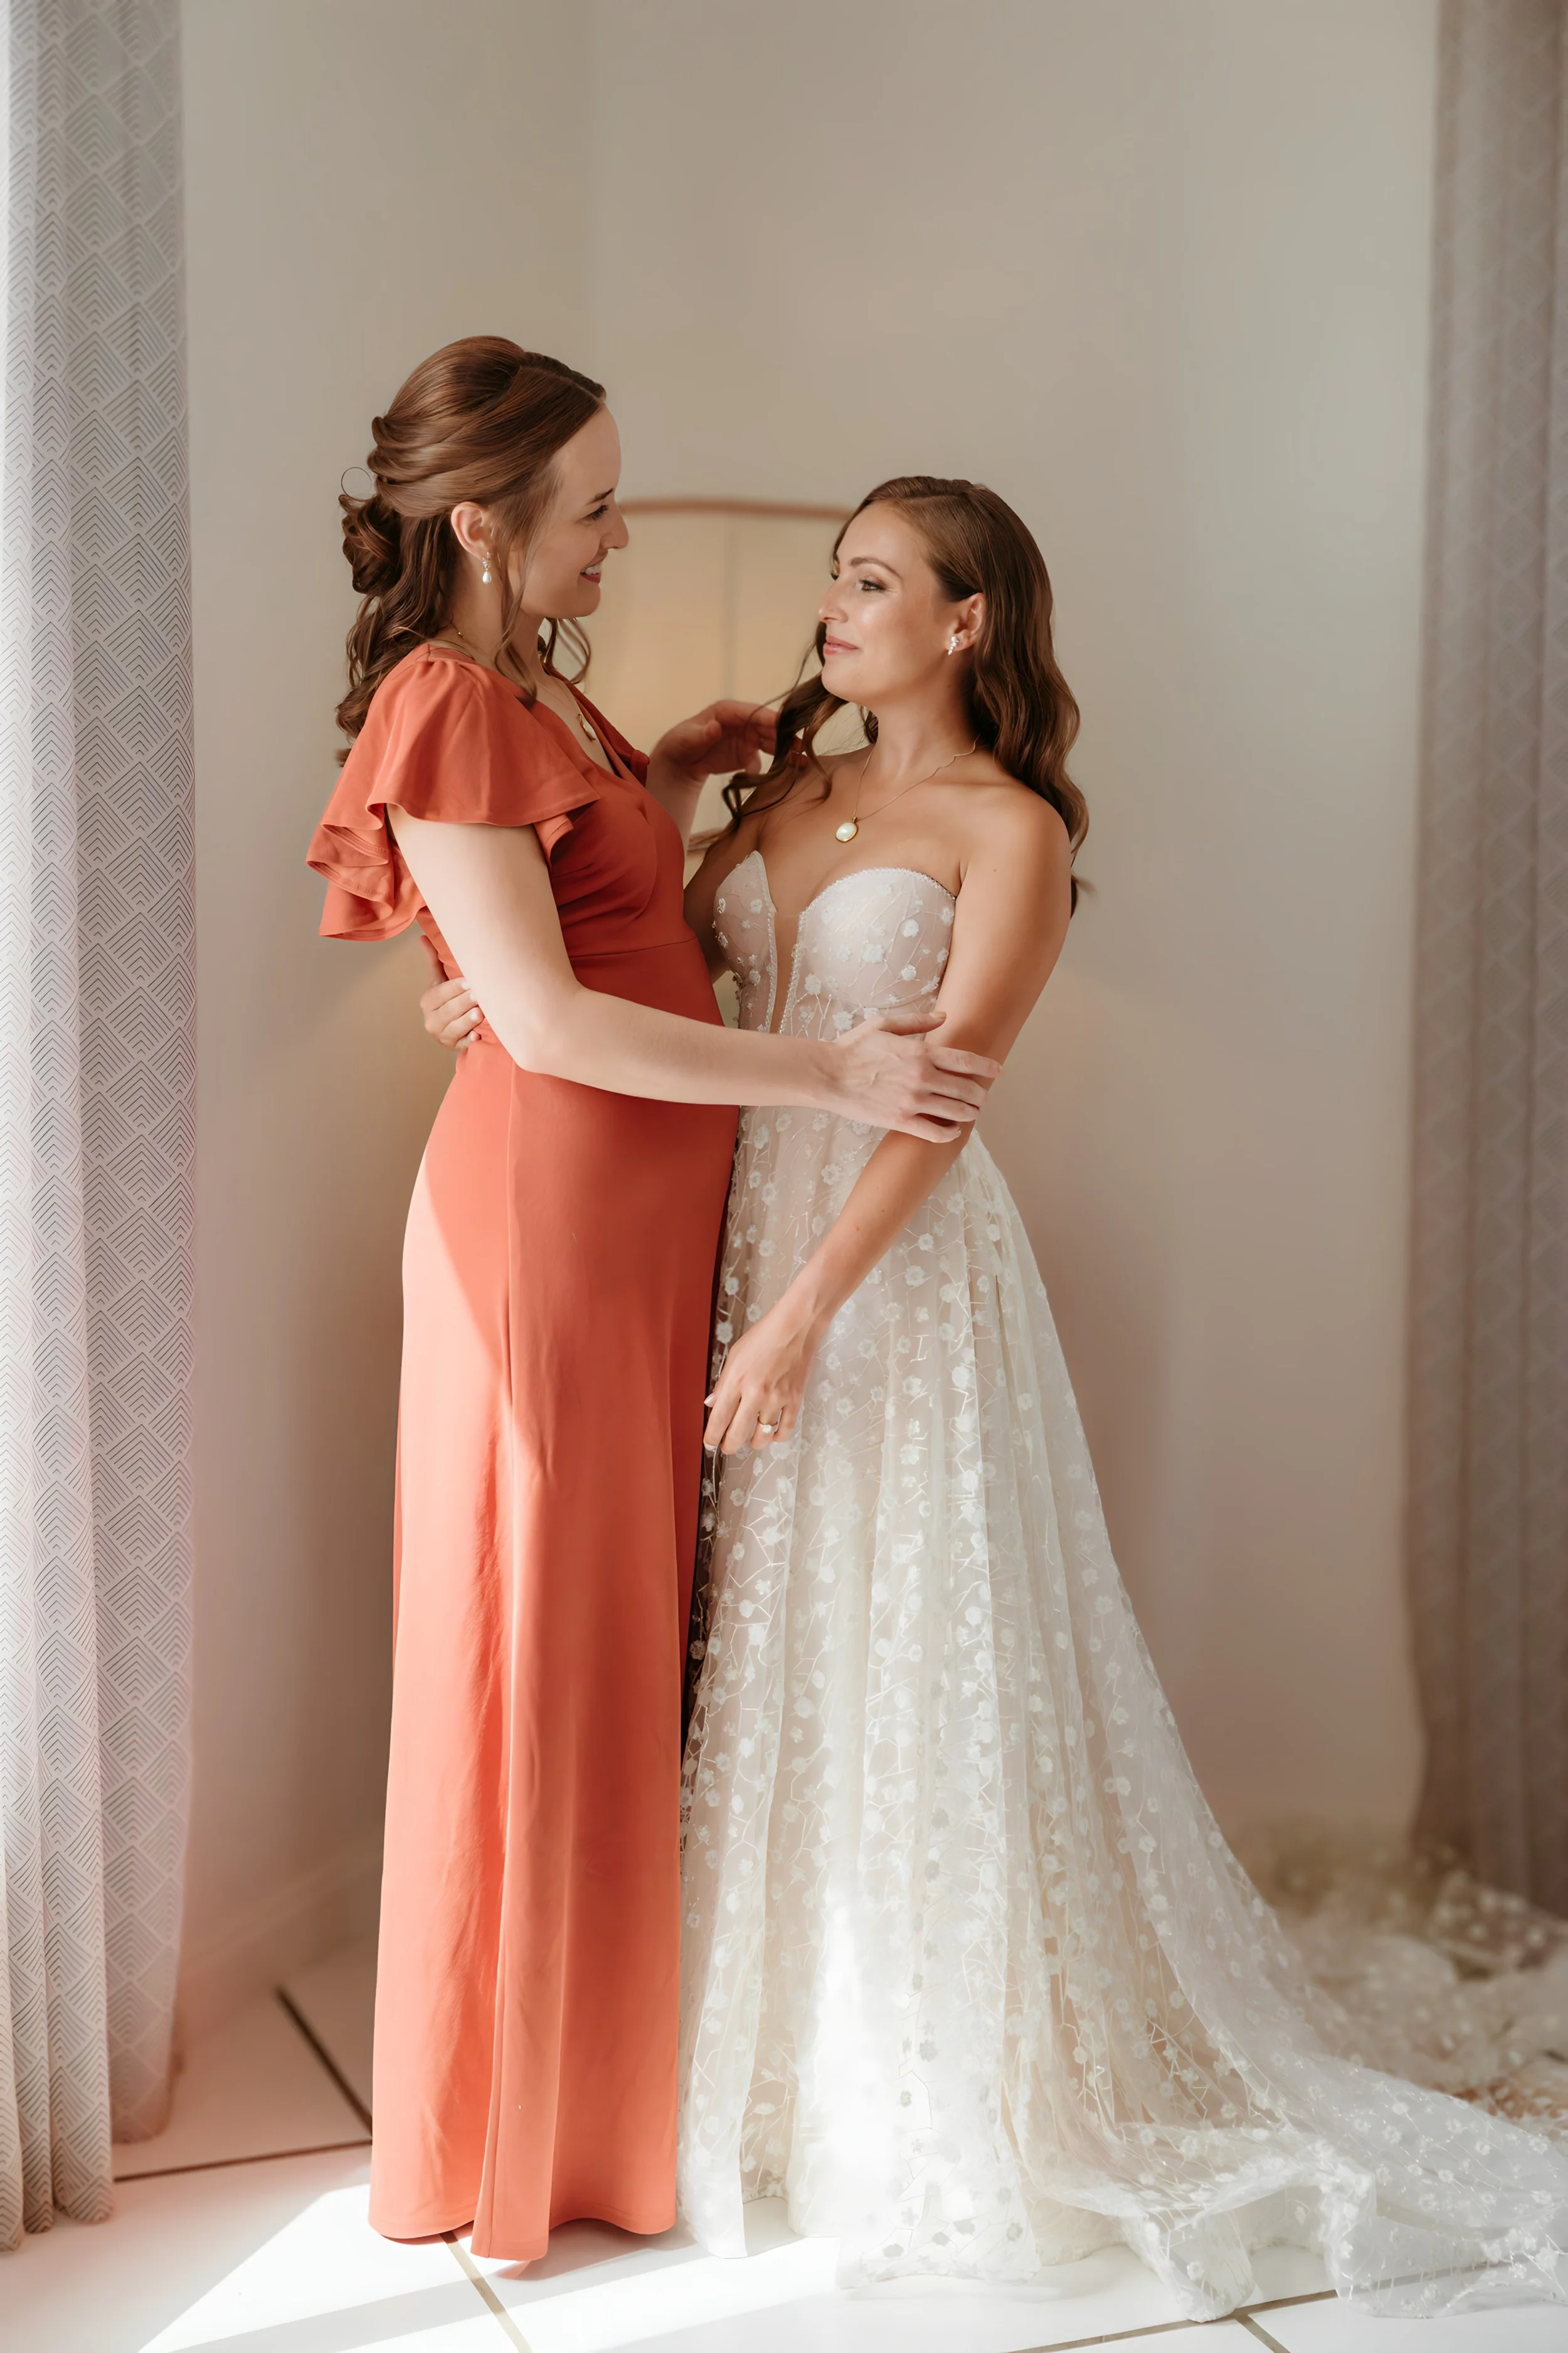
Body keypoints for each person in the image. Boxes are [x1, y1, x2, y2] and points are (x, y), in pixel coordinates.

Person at [431, 471, 1568, 2321]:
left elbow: (945, 1107)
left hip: (890, 1286)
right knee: (772, 1644)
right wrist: (508, 967)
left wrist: (800, 1316)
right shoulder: (782, 794)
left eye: (870, 580)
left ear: (965, 622)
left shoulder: (1008, 829)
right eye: (833, 574)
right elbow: (668, 973)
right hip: (726, 1242)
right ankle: (757, 2046)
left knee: (898, 1645)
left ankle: (925, 2075)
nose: (832, 604)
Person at [305, 342, 1000, 2263]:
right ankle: (507, 2132)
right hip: (544, 1229)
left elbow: (579, 926)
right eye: (596, 507)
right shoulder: (446, 695)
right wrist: (830, 1074)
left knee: (612, 1643)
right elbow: (542, 1020)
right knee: (538, 1648)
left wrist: (665, 776)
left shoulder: (537, 685)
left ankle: (599, 2111)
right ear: (482, 525)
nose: (620, 535)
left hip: (627, 1231)